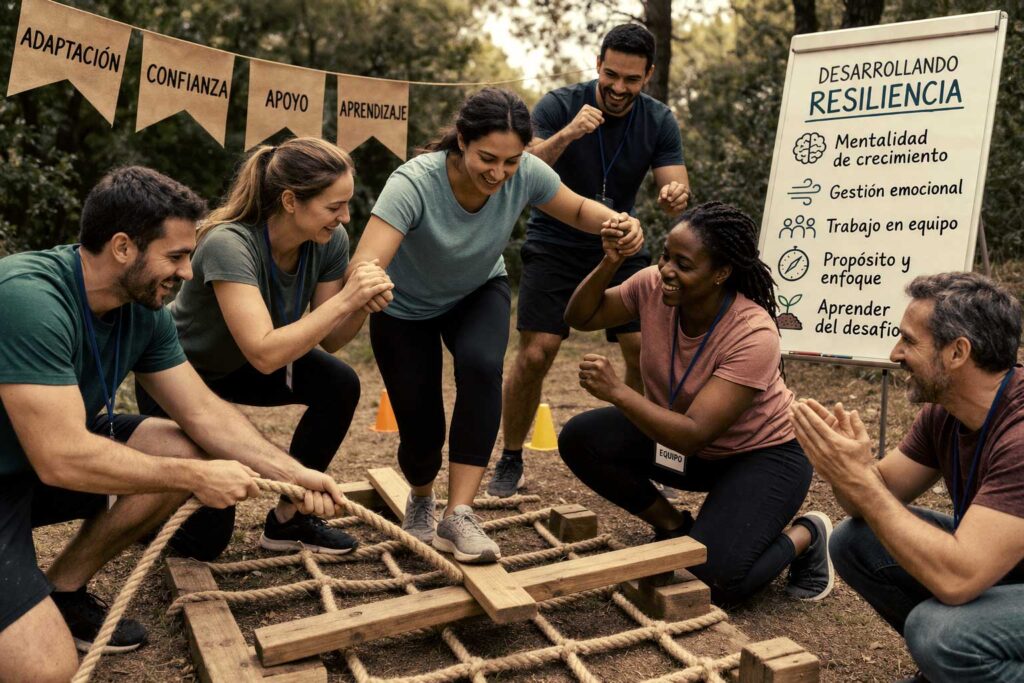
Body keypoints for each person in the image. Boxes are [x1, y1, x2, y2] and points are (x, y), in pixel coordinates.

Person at [0, 167, 347, 682]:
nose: (188, 273)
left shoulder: (145, 309)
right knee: (45, 671)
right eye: (177, 256)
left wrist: (293, 473)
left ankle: (64, 591)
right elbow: (61, 456)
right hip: (33, 466)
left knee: (182, 445)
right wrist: (193, 479)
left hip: (29, 467)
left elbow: (202, 412)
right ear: (123, 247)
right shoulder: (29, 298)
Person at [351, 88, 644, 563]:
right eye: (488, 158)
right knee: (421, 430)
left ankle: (460, 514)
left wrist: (617, 222)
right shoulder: (414, 182)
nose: (499, 173)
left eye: (511, 162)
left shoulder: (524, 172)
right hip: (404, 307)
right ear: (462, 141)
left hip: (476, 292)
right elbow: (367, 259)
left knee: (483, 366)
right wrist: (368, 279)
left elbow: (575, 208)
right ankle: (422, 499)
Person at [557, 202, 832, 606]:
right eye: (666, 256)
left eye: (683, 264)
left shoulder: (753, 333)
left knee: (714, 583)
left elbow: (692, 434)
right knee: (582, 438)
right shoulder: (652, 286)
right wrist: (609, 262)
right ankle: (674, 525)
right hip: (692, 452)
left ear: (720, 273)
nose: (667, 270)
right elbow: (581, 316)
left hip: (762, 457)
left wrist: (618, 391)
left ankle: (808, 534)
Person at [135, 137, 393, 561]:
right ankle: (129, 506)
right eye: (334, 206)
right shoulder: (228, 243)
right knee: (206, 541)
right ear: (291, 201)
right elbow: (265, 353)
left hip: (241, 366)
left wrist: (362, 304)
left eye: (346, 205)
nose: (345, 216)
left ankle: (290, 521)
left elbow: (329, 337)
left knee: (339, 383)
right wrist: (350, 298)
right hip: (180, 377)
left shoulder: (331, 240)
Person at [790, 272, 1024, 683]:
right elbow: (870, 498)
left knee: (940, 633)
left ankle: (966, 659)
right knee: (855, 540)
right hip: (1006, 564)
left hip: (991, 571)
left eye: (910, 341)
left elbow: (958, 579)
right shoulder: (946, 412)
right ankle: (958, 671)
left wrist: (861, 479)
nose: (896, 353)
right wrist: (848, 467)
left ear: (957, 352)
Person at [491, 23, 690, 498]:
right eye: (612, 75)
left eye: (632, 80)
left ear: (648, 76)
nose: (619, 88)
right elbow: (518, 166)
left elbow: (676, 187)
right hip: (555, 242)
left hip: (620, 241)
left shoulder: (659, 120)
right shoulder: (559, 104)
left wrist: (674, 195)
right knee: (537, 352)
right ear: (598, 64)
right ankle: (511, 457)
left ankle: (635, 447)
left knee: (645, 351)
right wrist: (569, 133)